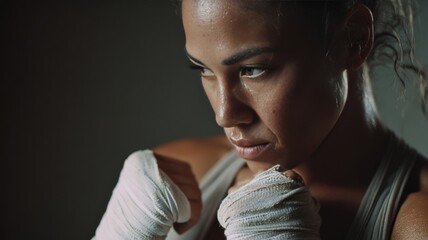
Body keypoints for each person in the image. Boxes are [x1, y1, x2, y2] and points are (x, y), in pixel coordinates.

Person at [93, 0, 428, 239]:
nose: (224, 115)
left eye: (253, 69)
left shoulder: (416, 223)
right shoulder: (181, 175)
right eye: (204, 69)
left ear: (352, 40)